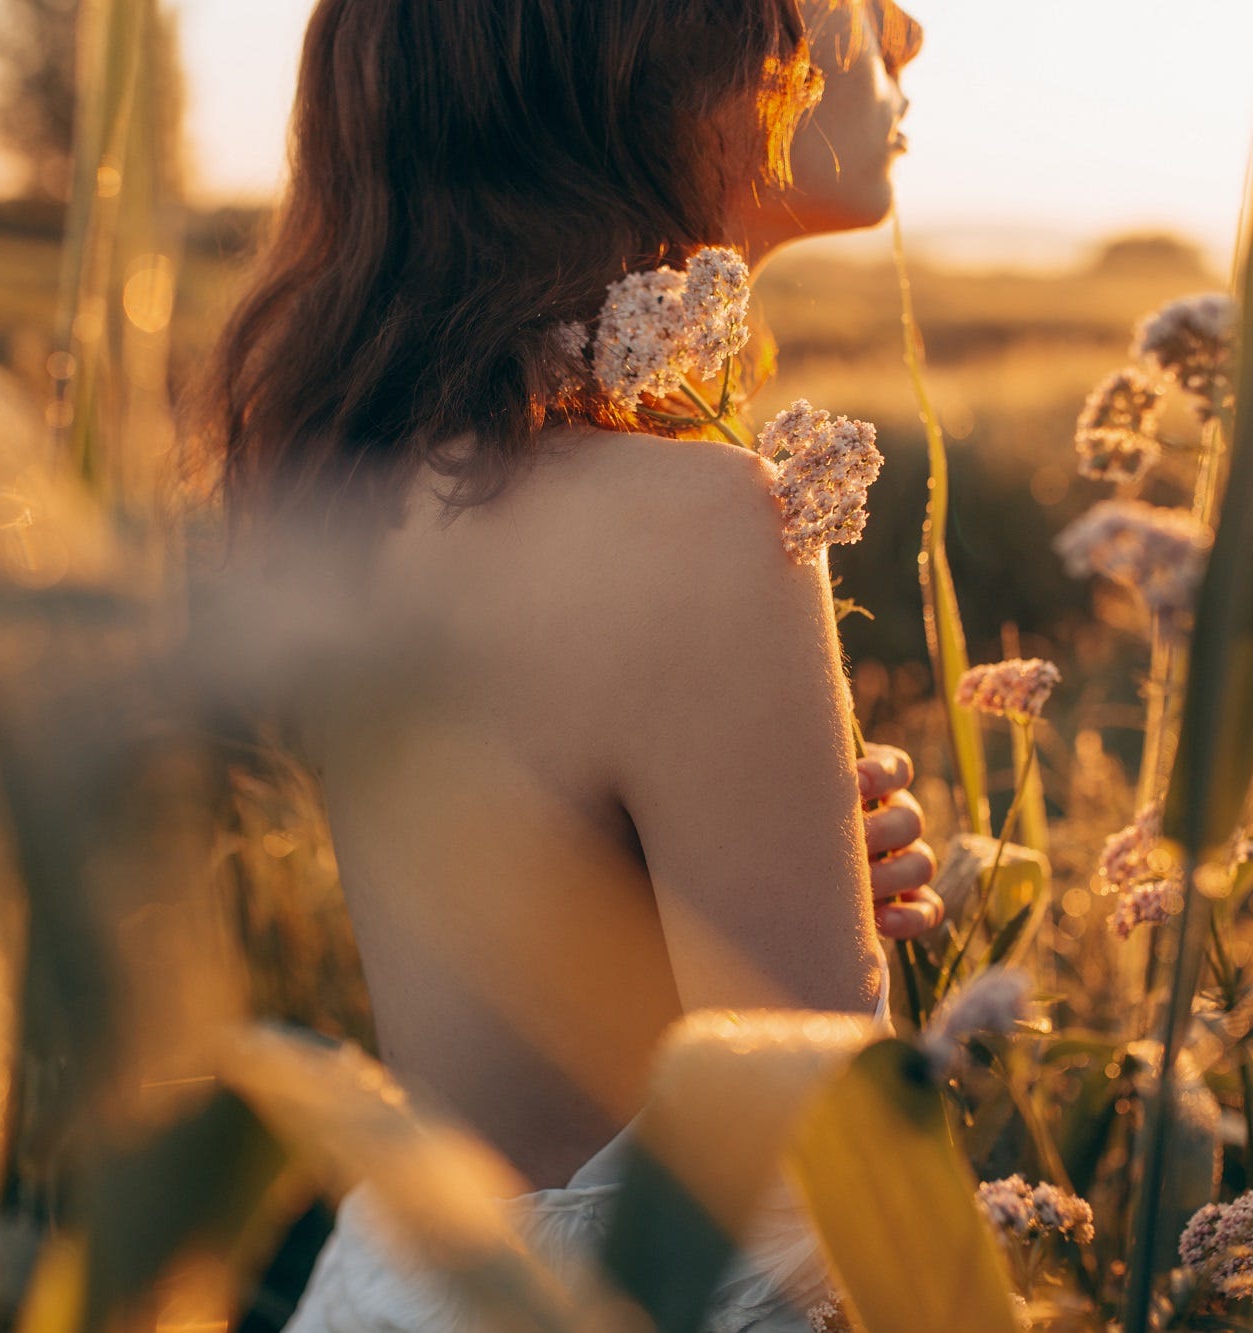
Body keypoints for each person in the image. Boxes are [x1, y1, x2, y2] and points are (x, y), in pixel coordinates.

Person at [200, 1, 928, 1327]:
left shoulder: (379, 482)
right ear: (665, 47)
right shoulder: (708, 522)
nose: (911, 33)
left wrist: (774, 861)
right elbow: (822, 1195)